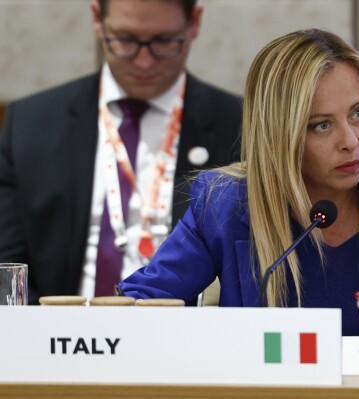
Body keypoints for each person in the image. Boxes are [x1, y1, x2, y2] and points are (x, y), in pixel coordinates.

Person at [119, 28, 359, 352]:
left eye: (358, 113)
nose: (351, 141)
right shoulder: (223, 204)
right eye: (321, 125)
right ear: (279, 136)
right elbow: (144, 303)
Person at [0, 0, 242, 304]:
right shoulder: (32, 125)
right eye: (125, 40)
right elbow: (8, 271)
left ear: (193, 23)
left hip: (185, 338)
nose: (143, 61)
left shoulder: (240, 126)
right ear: (97, 20)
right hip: (61, 336)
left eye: (164, 41)